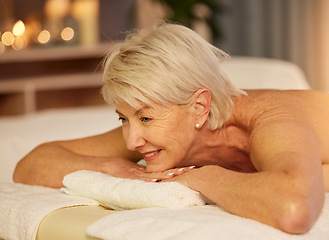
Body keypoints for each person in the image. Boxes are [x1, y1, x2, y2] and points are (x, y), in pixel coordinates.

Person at [13, 23, 329, 234]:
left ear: (200, 107)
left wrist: (204, 177)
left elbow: (294, 207)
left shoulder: (269, 118)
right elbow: (31, 166)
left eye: (145, 118)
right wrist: (116, 168)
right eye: (123, 118)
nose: (133, 140)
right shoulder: (161, 135)